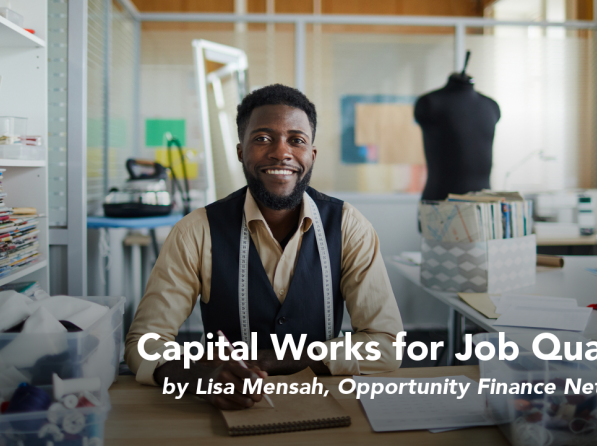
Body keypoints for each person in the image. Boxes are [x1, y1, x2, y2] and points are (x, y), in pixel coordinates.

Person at [125, 84, 403, 410]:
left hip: (323, 405)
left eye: (296, 140)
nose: (280, 152)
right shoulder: (196, 230)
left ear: (311, 155)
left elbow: (387, 345)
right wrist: (197, 375)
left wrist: (267, 361)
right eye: (262, 138)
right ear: (241, 151)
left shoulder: (348, 226)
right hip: (226, 408)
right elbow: (143, 345)